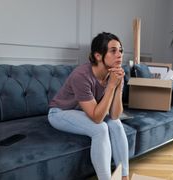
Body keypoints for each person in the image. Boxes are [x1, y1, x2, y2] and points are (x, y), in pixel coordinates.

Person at [48, 32, 129, 180]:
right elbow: (97, 119)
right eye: (113, 51)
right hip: (60, 113)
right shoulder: (81, 75)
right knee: (100, 128)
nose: (119, 55)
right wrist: (111, 86)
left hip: (84, 112)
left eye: (120, 50)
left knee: (116, 124)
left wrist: (117, 86)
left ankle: (124, 177)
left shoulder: (116, 74)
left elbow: (115, 115)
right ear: (98, 56)